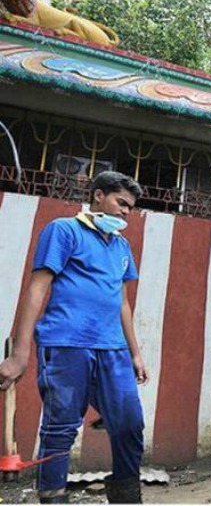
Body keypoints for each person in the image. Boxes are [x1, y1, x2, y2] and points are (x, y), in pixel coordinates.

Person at [0, 171, 147, 504]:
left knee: (129, 423)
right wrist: (20, 354)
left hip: (113, 348)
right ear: (98, 196)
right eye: (120, 203)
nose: (126, 212)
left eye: (130, 207)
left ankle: (126, 495)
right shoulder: (64, 231)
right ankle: (53, 497)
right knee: (61, 427)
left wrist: (135, 353)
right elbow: (38, 288)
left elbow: (122, 302)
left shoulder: (122, 247)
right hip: (66, 343)